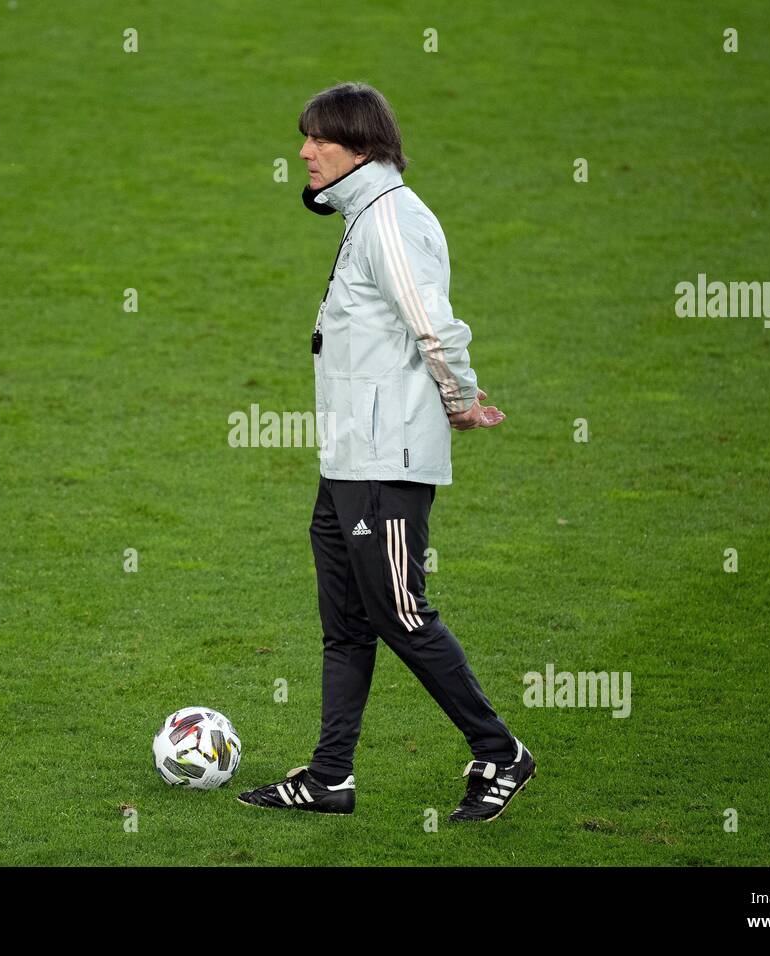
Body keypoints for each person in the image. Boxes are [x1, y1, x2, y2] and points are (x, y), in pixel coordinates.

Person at [237, 82, 536, 822]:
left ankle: (501, 754)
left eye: (320, 141)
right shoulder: (364, 214)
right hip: (347, 460)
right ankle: (331, 776)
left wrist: (460, 400)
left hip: (385, 462)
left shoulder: (392, 219)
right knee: (345, 625)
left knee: (401, 613)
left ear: (361, 149)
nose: (304, 152)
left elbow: (433, 324)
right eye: (304, 137)